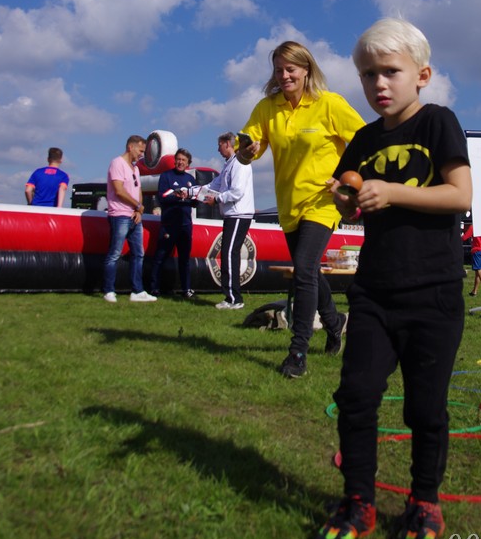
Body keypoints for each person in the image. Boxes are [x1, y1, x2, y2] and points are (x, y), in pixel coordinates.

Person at [314, 18, 472, 539]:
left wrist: (392, 191)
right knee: (356, 396)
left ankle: (424, 500)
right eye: (367, 75)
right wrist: (345, 198)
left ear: (421, 75)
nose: (378, 84)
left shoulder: (438, 122)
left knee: (425, 409)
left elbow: (459, 195)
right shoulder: (363, 139)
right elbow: (351, 201)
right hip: (375, 292)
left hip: (434, 292)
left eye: (390, 72)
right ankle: (357, 499)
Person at [237, 40, 364, 378]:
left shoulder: (329, 103)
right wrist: (245, 151)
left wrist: (344, 178)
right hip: (289, 203)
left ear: (307, 70)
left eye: (290, 69)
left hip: (322, 201)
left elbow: (365, 139)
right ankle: (335, 322)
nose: (284, 76)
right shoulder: (268, 108)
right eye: (279, 70)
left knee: (305, 269)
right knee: (308, 272)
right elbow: (248, 147)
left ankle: (297, 352)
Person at [204, 132, 255, 310]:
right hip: (232, 214)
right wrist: (193, 192)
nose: (218, 149)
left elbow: (237, 192)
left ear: (227, 144)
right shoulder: (229, 164)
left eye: (219, 145)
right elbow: (214, 185)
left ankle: (234, 298)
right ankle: (231, 296)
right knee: (228, 253)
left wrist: (217, 199)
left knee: (229, 253)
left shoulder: (240, 163)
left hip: (239, 214)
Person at [103, 135, 157, 304]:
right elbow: (119, 190)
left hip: (134, 216)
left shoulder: (135, 168)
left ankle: (137, 290)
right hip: (119, 214)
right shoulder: (117, 163)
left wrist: (139, 210)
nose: (141, 155)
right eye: (140, 151)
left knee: (138, 253)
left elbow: (138, 189)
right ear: (130, 147)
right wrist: (137, 205)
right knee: (115, 253)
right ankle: (109, 290)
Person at [150, 149, 197, 299]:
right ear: (175, 160)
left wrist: (196, 198)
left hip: (186, 224)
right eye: (178, 159)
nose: (180, 162)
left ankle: (186, 289)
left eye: (183, 160)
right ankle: (154, 288)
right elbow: (162, 197)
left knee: (185, 259)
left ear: (188, 163)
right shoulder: (166, 176)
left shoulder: (191, 179)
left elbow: (195, 202)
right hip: (169, 224)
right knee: (161, 256)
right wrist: (177, 196)